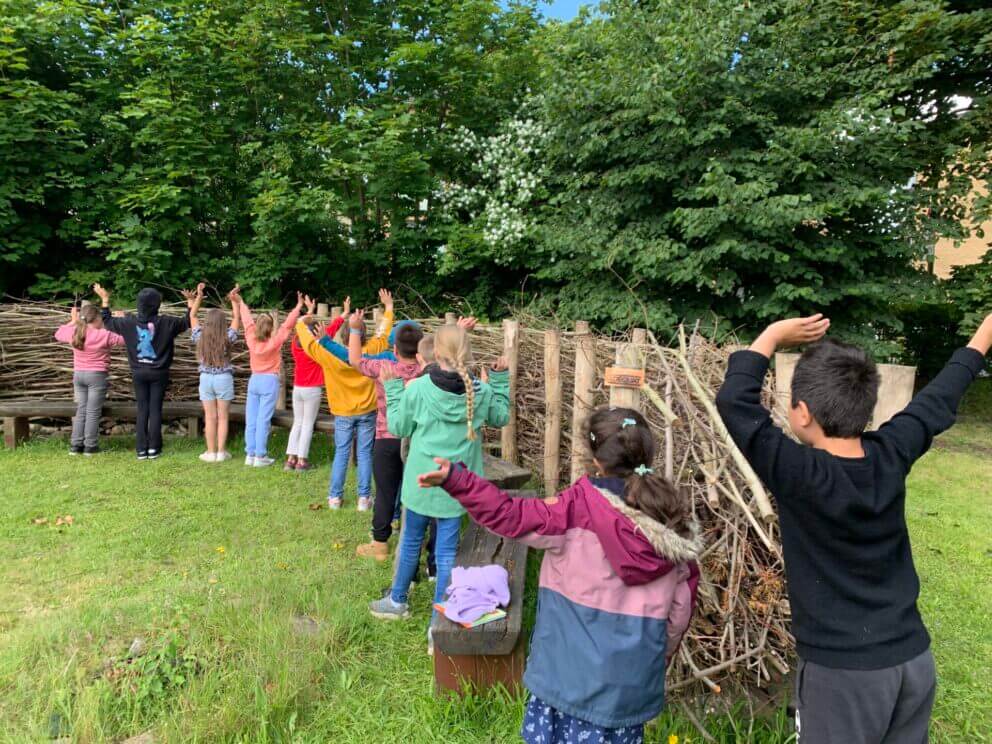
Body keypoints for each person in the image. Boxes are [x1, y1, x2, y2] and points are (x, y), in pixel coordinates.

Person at [715, 311, 992, 744]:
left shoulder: (796, 472)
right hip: (913, 663)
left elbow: (734, 402)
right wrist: (984, 334)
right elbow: (940, 397)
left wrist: (770, 335)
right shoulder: (892, 453)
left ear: (802, 412)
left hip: (843, 677)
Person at [418, 407, 701, 741]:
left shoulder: (576, 509)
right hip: (626, 691)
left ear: (596, 460)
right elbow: (679, 613)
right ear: (647, 454)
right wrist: (656, 656)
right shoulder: (674, 525)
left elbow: (509, 515)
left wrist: (458, 480)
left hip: (563, 680)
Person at [368, 324, 510, 654]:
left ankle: (397, 601)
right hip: (457, 487)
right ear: (468, 352)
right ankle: (438, 627)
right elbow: (501, 417)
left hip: (420, 483)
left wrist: (392, 389)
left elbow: (399, 426)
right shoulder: (481, 391)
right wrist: (500, 381)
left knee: (410, 541)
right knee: (447, 553)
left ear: (436, 354)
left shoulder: (417, 388)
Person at [295, 290, 394, 510]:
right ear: (362, 334)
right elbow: (384, 333)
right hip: (368, 412)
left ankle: (334, 498)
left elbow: (308, 343)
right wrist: (388, 307)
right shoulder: (370, 351)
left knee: (341, 452)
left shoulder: (329, 354)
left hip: (342, 413)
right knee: (364, 453)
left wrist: (303, 320)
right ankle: (363, 499)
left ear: (343, 333)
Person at [344, 309, 424, 560]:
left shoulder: (384, 367)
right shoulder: (428, 371)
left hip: (387, 438)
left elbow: (355, 361)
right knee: (418, 492)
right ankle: (415, 541)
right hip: (417, 442)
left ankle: (380, 545)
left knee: (386, 492)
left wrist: (355, 329)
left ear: (395, 349)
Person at [94, 282, 199, 460]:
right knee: (155, 409)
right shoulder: (167, 322)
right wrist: (190, 302)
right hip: (159, 373)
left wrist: (105, 299)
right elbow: (187, 321)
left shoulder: (128, 322)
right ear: (157, 305)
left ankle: (141, 450)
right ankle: (154, 449)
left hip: (138, 372)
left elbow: (107, 320)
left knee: (142, 409)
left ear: (139, 304)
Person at [235, 288, 302, 467]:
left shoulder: (251, 339)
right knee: (263, 419)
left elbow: (247, 321)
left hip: (254, 380)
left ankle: (250, 454)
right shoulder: (274, 341)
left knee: (252, 418)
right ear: (271, 328)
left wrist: (241, 302)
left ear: (258, 326)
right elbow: (287, 325)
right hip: (269, 381)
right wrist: (298, 307)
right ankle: (260, 455)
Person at [53, 302, 125, 455]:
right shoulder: (104, 335)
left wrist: (72, 321)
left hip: (79, 375)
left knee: (81, 410)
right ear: (98, 318)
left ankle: (75, 445)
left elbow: (58, 334)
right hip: (97, 376)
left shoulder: (75, 331)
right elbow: (124, 340)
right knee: (92, 412)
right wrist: (122, 321)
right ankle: (90, 446)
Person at [284, 294, 342, 472]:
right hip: (312, 390)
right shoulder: (316, 346)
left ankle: (290, 459)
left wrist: (309, 310)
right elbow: (330, 330)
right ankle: (302, 461)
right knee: (307, 424)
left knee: (298, 422)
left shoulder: (295, 344)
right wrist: (344, 314)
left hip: (298, 389)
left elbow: (300, 324)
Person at [190, 285, 241, 462]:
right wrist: (234, 300)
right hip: (224, 379)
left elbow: (193, 315)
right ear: (222, 322)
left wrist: (198, 297)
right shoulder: (228, 337)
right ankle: (221, 452)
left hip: (205, 379)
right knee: (223, 417)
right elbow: (236, 317)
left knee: (210, 417)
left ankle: (210, 452)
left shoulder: (199, 336)